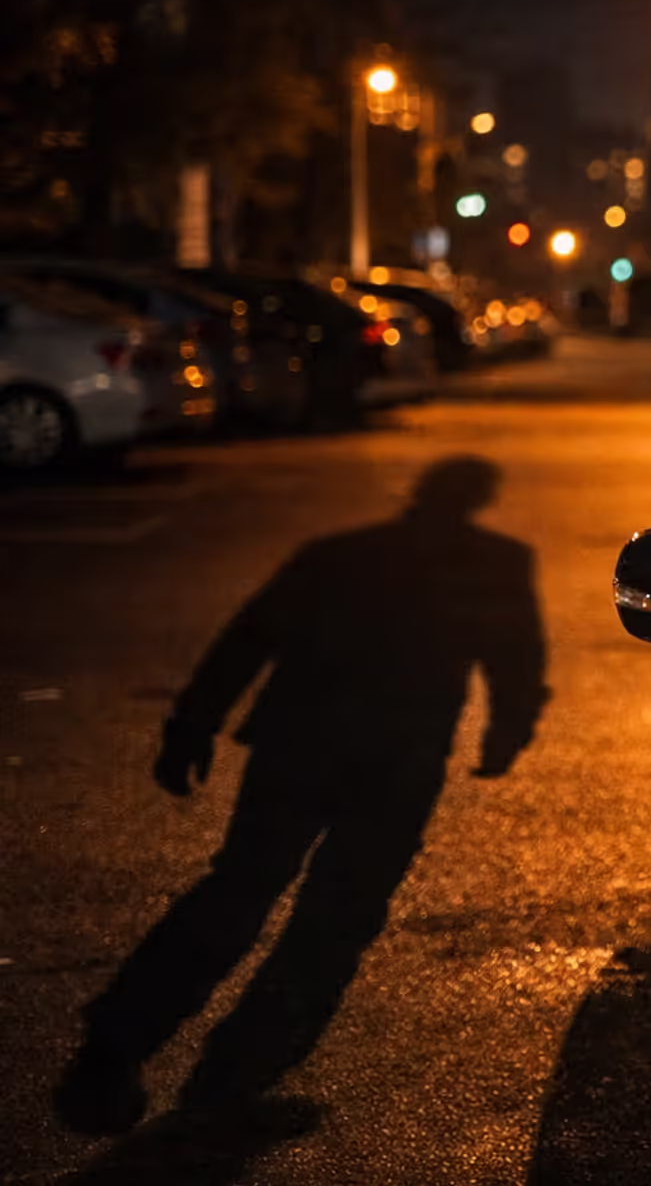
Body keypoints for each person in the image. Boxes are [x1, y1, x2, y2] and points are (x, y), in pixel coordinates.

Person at [55, 456, 548, 1135]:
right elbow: (516, 657)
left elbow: (248, 638)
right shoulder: (495, 563)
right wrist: (506, 732)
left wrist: (193, 723)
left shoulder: (340, 555)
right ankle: (240, 1069)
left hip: (298, 743)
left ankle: (119, 1042)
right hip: (399, 758)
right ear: (479, 500)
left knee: (240, 888)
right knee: (337, 913)